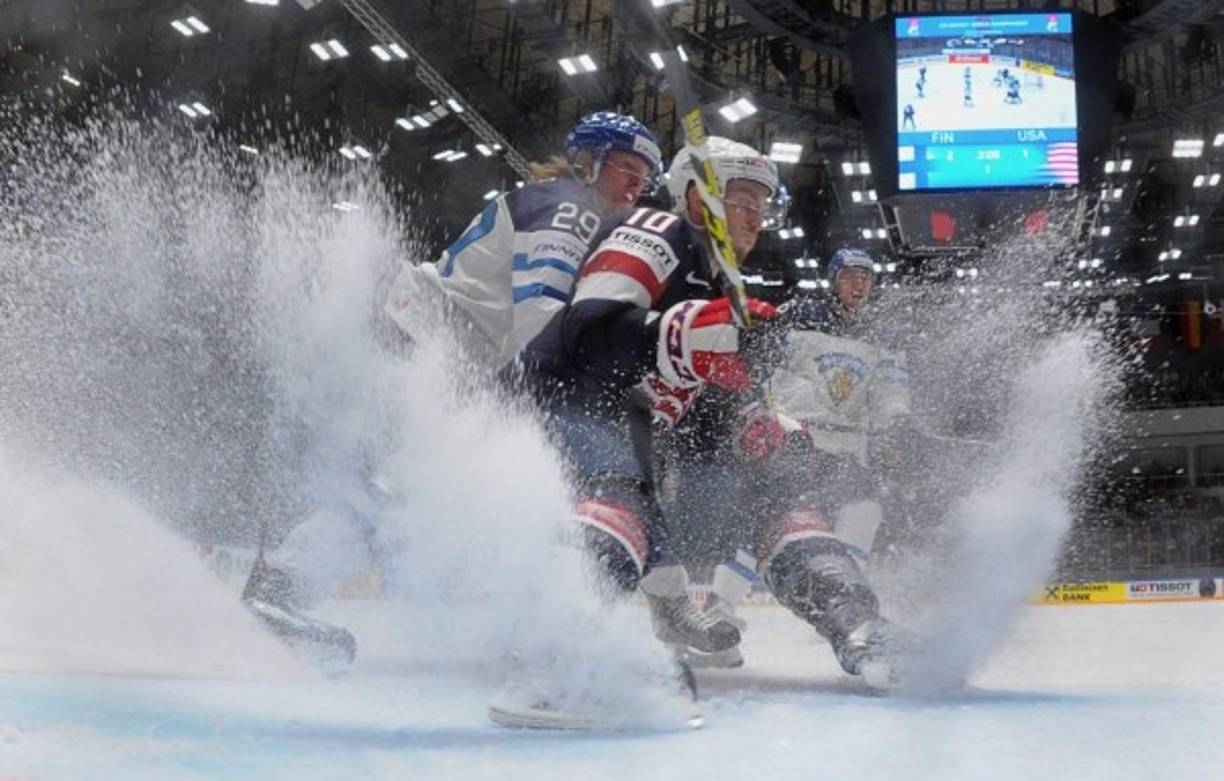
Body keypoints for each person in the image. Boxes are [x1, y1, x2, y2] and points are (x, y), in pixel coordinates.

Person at [241, 111, 665, 663]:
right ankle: (278, 592)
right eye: (626, 167)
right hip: (424, 347)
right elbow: (541, 313)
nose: (636, 185)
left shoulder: (577, 213)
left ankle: (280, 589)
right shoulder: (568, 205)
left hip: (433, 350)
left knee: (410, 487)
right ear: (589, 161)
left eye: (645, 177)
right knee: (399, 487)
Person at [513, 137, 784, 662]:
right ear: (698, 199)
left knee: (645, 496)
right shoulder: (653, 232)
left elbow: (691, 398)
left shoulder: (716, 282)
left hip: (625, 420)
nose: (757, 218)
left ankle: (669, 604)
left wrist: (748, 416)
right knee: (621, 498)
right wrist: (692, 331)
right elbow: (587, 337)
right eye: (743, 201)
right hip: (558, 396)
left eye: (763, 206)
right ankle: (554, 659)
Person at [674, 248, 913, 683]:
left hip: (847, 449)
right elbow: (756, 367)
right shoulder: (798, 315)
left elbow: (891, 391)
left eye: (867, 277)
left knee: (863, 509)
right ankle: (720, 619)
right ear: (833, 278)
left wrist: (896, 424)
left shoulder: (882, 335)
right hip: (793, 439)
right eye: (851, 276)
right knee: (774, 524)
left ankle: (846, 607)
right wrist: (757, 414)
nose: (860, 285)